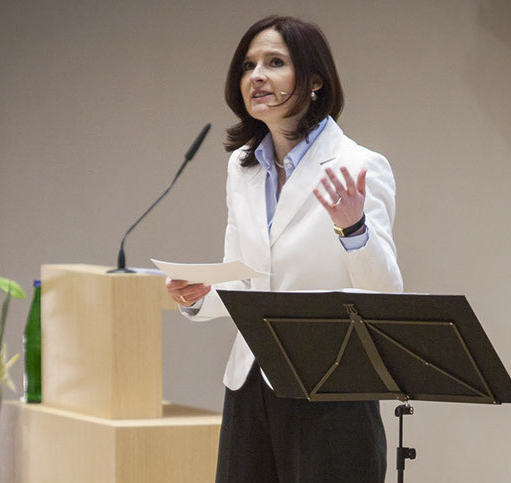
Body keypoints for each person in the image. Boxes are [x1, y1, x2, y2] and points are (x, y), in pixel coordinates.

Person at [165, 15, 402, 483]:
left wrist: (353, 228)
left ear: (314, 80)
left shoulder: (359, 165)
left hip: (330, 387)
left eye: (275, 63)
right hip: (250, 383)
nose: (257, 76)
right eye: (248, 65)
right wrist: (199, 296)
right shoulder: (243, 167)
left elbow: (385, 294)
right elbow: (247, 279)